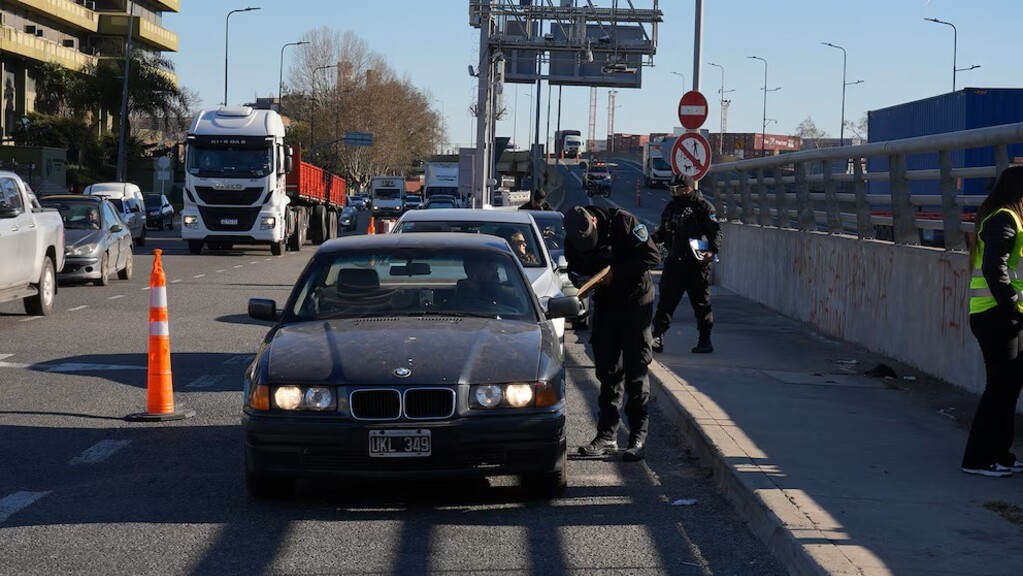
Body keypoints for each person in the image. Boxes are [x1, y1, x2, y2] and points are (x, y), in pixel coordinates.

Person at [564, 204, 660, 461]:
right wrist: (581, 280)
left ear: (594, 221)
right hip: (606, 304)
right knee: (607, 371)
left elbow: (652, 257)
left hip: (635, 302)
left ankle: (637, 435)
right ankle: (607, 435)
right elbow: (573, 268)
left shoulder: (624, 222)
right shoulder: (572, 237)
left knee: (636, 370)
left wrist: (615, 273)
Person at [961, 165, 1023, 477]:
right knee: (999, 387)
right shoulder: (1004, 218)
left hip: (1000, 316)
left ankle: (1000, 454)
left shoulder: (1004, 216)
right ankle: (977, 459)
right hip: (996, 315)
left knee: (1008, 387)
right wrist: (1013, 305)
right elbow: (994, 268)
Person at [650, 174, 722, 355]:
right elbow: (662, 230)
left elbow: (715, 232)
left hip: (696, 265)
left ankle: (705, 340)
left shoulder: (703, 208)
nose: (673, 193)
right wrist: (649, 241)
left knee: (701, 303)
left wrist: (712, 250)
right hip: (674, 262)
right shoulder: (671, 208)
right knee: (666, 302)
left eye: (677, 190)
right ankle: (658, 336)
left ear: (687, 189)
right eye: (672, 190)